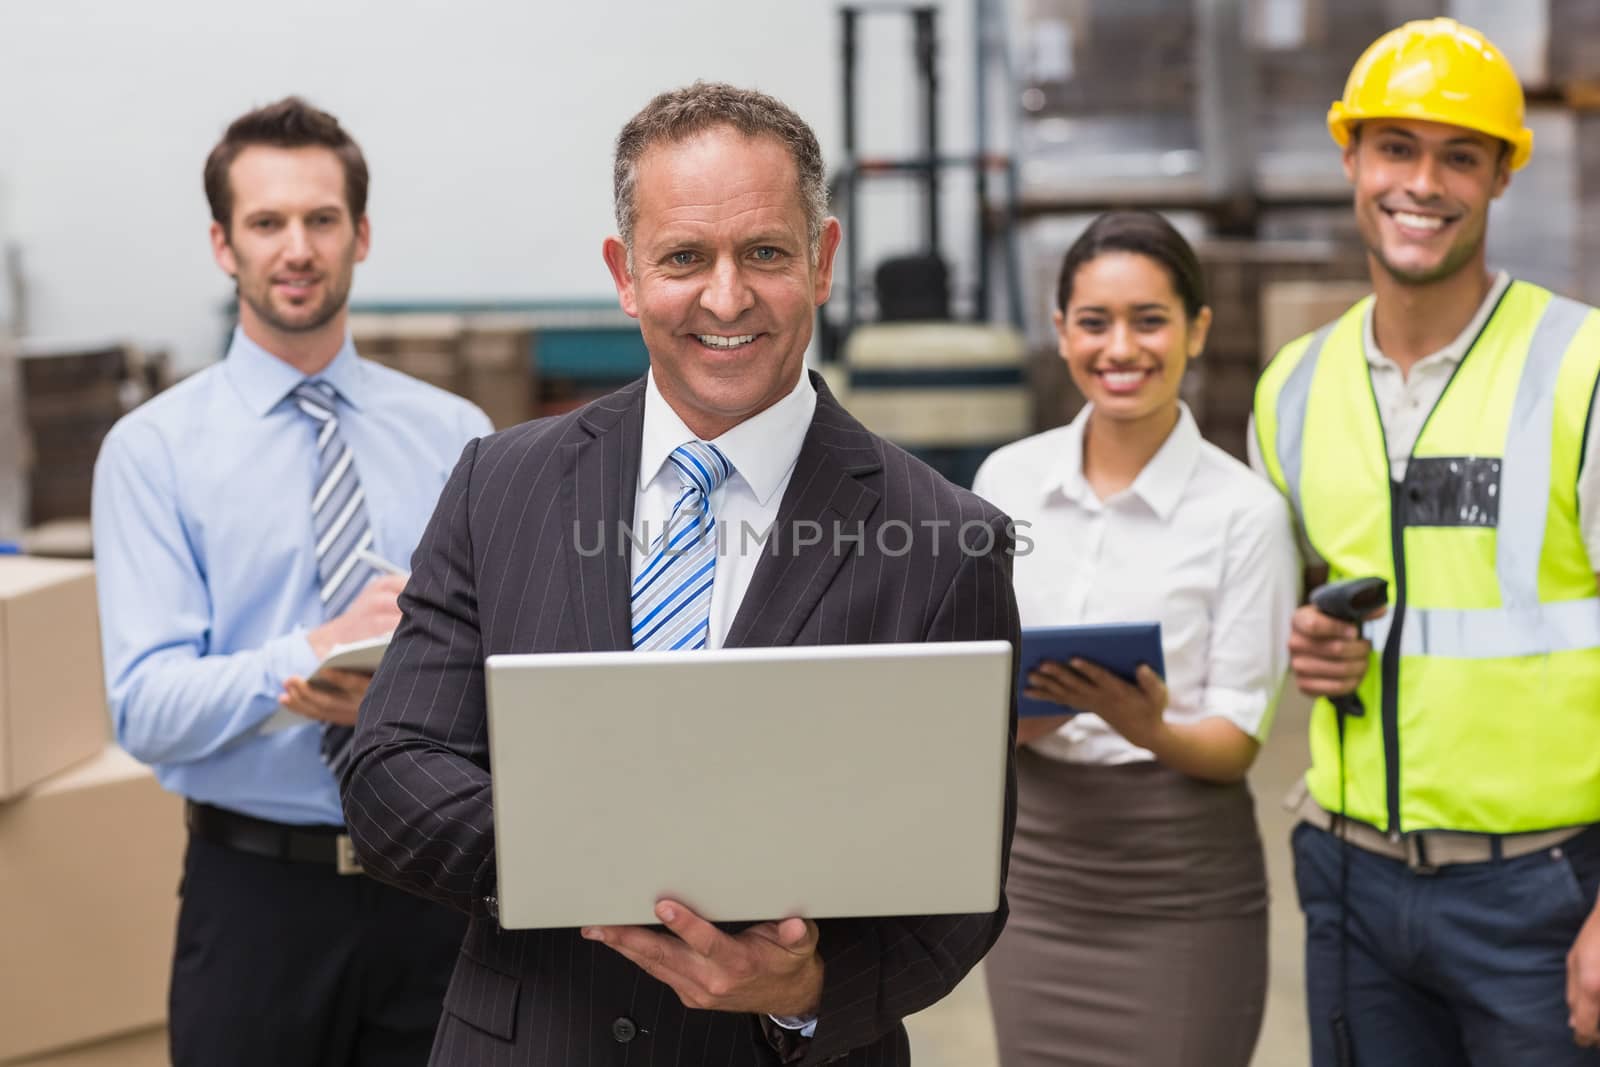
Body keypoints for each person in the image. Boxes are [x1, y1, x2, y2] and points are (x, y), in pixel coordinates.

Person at [338, 81, 1020, 1065]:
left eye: (767, 253)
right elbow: (390, 766)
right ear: (625, 272)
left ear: (823, 260)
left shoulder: (948, 540)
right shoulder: (503, 485)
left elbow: (962, 889)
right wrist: (598, 854)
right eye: (684, 257)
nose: (727, 296)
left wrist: (807, 985)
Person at [92, 97, 492, 1065]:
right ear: (224, 245)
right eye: (266, 222)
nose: (297, 247)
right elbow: (145, 705)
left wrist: (407, 693)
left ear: (360, 234)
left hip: (437, 885)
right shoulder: (153, 451)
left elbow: (511, 667)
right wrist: (306, 656)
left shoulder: (459, 438)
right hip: (255, 900)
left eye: (320, 219)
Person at [1250, 17, 1600, 1065]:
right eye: (1396, 147)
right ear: (1350, 158)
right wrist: (1316, 646)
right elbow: (1323, 607)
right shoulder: (1292, 389)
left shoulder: (1579, 368)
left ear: (1499, 176)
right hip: (1352, 880)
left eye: (1460, 155)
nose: (1423, 183)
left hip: (1542, 891)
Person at [973, 210, 1298, 1066]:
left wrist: (1142, 724)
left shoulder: (1245, 515)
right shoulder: (1006, 483)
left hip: (1178, 875)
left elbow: (1236, 743)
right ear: (1060, 331)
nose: (1121, 348)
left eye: (1149, 320)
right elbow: (971, 695)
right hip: (1033, 869)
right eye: (1094, 321)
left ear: (1196, 329)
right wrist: (1029, 717)